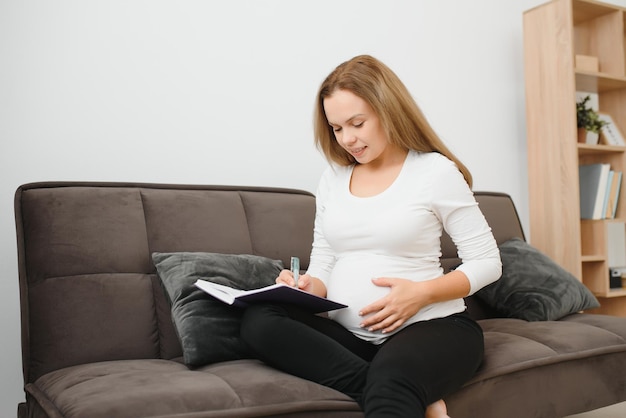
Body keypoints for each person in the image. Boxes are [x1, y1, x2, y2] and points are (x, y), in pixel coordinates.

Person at [240, 54, 502, 418]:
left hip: (433, 328)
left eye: (357, 123)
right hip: (355, 339)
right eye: (336, 128)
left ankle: (396, 386)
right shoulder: (332, 178)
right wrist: (306, 287)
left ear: (388, 109)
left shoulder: (434, 171)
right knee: (260, 320)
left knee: (392, 380)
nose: (347, 139)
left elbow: (488, 262)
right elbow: (325, 262)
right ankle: (410, 393)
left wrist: (421, 293)